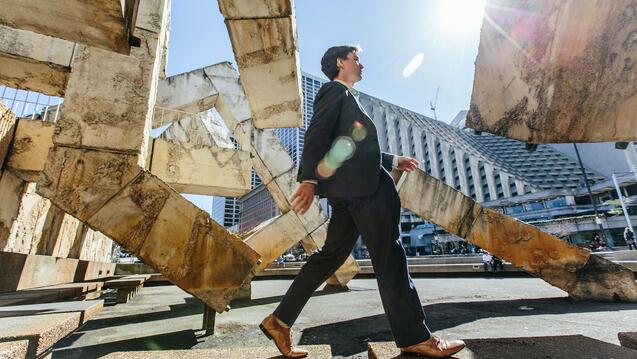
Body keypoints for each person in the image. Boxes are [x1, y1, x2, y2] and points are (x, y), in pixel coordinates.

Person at [258, 45, 465, 358]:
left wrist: (394, 159)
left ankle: (279, 321)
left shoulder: (347, 98)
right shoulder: (333, 92)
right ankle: (416, 337)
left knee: (329, 258)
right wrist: (309, 179)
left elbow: (353, 148)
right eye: (356, 58)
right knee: (390, 257)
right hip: (365, 192)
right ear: (341, 62)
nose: (361, 63)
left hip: (351, 192)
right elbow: (317, 133)